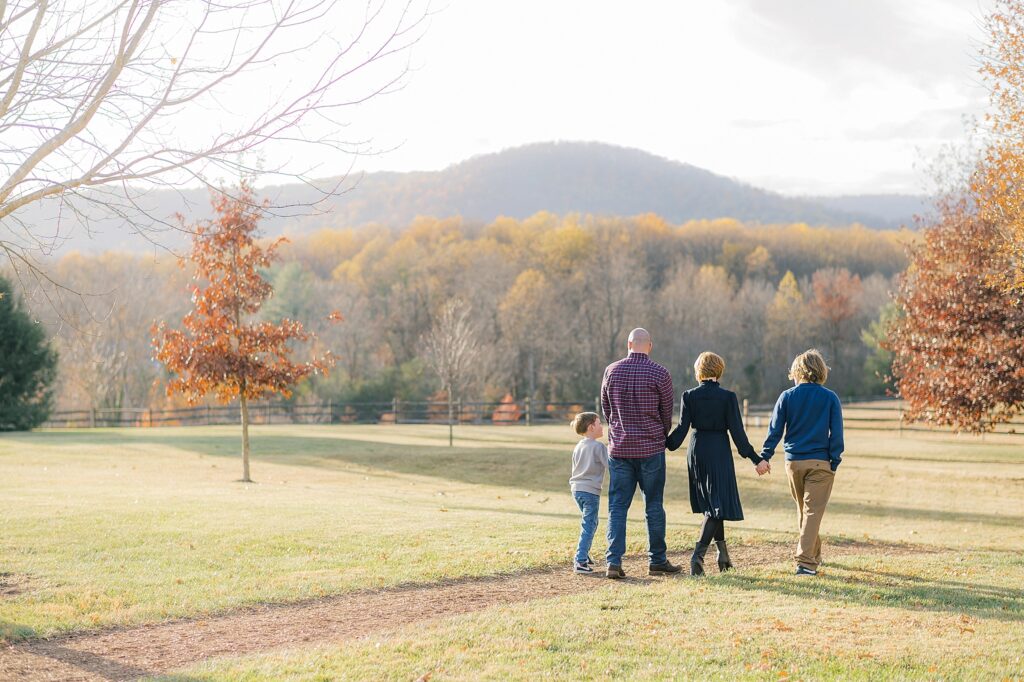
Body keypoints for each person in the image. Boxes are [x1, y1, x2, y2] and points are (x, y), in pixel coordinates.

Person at [666, 352, 764, 575]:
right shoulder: (728, 397)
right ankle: (697, 559)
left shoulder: (689, 396)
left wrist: (665, 443)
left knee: (713, 504)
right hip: (718, 451)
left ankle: (723, 557)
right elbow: (738, 434)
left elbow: (682, 429)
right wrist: (755, 459)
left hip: (697, 451)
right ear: (719, 370)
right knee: (715, 506)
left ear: (698, 370)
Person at [600, 328, 682, 578]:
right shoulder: (660, 373)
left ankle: (613, 561)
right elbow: (666, 412)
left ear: (628, 344)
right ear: (650, 346)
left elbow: (606, 408)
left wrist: (618, 429)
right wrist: (659, 434)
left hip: (621, 448)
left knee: (617, 506)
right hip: (651, 448)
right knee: (654, 505)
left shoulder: (612, 370)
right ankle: (657, 560)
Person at [758, 349, 844, 576]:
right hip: (820, 462)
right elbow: (836, 435)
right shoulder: (830, 397)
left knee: (805, 511)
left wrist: (765, 456)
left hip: (794, 462)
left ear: (798, 371)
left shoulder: (786, 397)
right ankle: (806, 562)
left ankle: (814, 555)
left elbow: (774, 431)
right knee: (812, 512)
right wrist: (834, 461)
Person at [569, 411, 607, 574]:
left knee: (591, 522)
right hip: (590, 491)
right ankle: (580, 560)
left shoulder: (579, 446)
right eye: (599, 424)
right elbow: (610, 464)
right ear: (591, 427)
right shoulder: (598, 447)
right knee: (589, 524)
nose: (602, 426)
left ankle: (584, 553)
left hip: (577, 490)